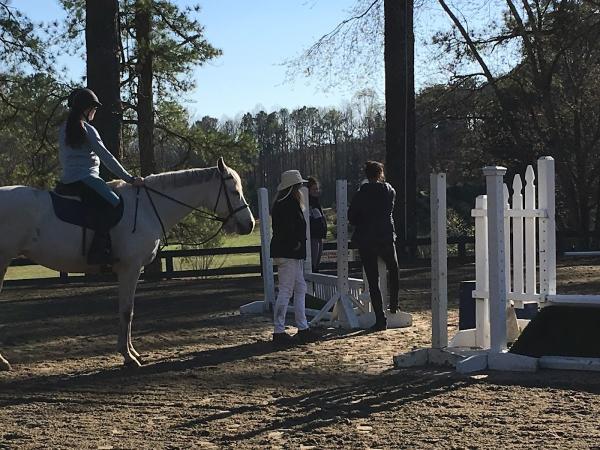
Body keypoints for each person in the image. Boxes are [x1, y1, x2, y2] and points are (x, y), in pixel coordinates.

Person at [58, 87, 144, 265]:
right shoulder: (88, 130)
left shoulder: (64, 128)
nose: (95, 112)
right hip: (86, 179)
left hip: (67, 180)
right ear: (87, 109)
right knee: (117, 205)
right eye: (94, 108)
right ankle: (99, 251)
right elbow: (107, 158)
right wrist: (129, 179)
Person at [348, 161, 400, 332]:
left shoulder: (361, 193)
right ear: (380, 174)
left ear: (367, 175)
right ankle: (394, 304)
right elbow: (390, 208)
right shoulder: (389, 190)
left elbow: (352, 217)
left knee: (373, 279)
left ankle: (380, 318)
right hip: (385, 236)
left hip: (367, 239)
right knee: (393, 268)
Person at [270, 170, 317, 347]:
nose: (300, 188)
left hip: (290, 253)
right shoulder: (288, 204)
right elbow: (288, 229)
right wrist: (295, 244)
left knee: (298, 288)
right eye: (298, 186)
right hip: (289, 252)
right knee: (286, 291)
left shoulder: (284, 203)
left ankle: (302, 327)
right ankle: (279, 330)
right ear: (293, 187)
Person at [307, 176, 327, 273]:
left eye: (317, 188)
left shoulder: (316, 202)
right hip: (313, 237)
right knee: (312, 265)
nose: (316, 191)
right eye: (314, 189)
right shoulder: (308, 203)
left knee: (317, 265)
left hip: (319, 237)